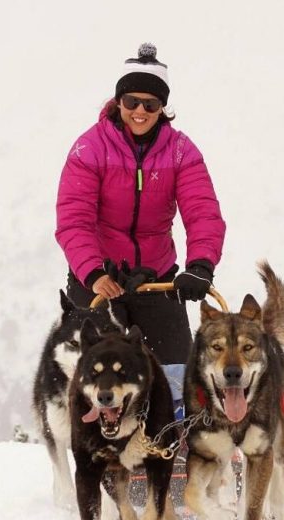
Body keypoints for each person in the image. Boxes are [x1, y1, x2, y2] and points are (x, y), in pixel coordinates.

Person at [56, 43, 226, 418]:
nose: (140, 112)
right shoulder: (89, 149)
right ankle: (105, 452)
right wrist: (94, 272)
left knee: (177, 371)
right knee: (99, 372)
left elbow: (203, 212)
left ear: (163, 108)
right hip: (99, 279)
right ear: (118, 101)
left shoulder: (181, 152)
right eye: (132, 101)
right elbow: (74, 218)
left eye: (151, 104)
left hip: (156, 277)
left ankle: (177, 441)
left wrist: (200, 266)